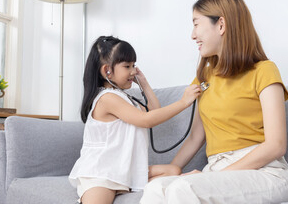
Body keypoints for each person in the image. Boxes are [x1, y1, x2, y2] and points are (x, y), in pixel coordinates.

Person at [140, 0, 288, 204]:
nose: (192, 35)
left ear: (221, 25)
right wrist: (174, 168)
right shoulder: (203, 77)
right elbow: (196, 137)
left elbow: (276, 145)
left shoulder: (264, 71)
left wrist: (212, 177)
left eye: (196, 24)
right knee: (156, 188)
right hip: (217, 169)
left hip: (264, 172)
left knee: (184, 190)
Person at [68, 36, 201, 204]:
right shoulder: (107, 98)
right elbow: (146, 120)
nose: (132, 71)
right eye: (127, 66)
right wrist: (183, 102)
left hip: (124, 171)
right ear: (107, 71)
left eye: (134, 65)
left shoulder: (123, 97)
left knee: (173, 170)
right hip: (101, 174)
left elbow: (154, 111)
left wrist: (143, 83)